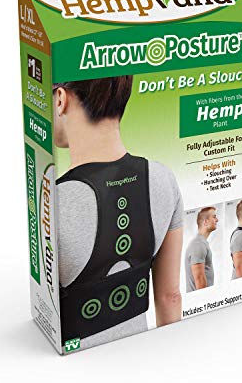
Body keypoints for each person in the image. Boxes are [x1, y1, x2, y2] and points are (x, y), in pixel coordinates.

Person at [53, 77, 183, 350]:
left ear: (61, 99)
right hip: (140, 360)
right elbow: (170, 297)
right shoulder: (163, 179)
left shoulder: (53, 202)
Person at [185, 207, 218, 292]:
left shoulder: (201, 243)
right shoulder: (198, 244)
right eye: (214, 217)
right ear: (206, 222)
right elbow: (199, 279)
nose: (217, 220)